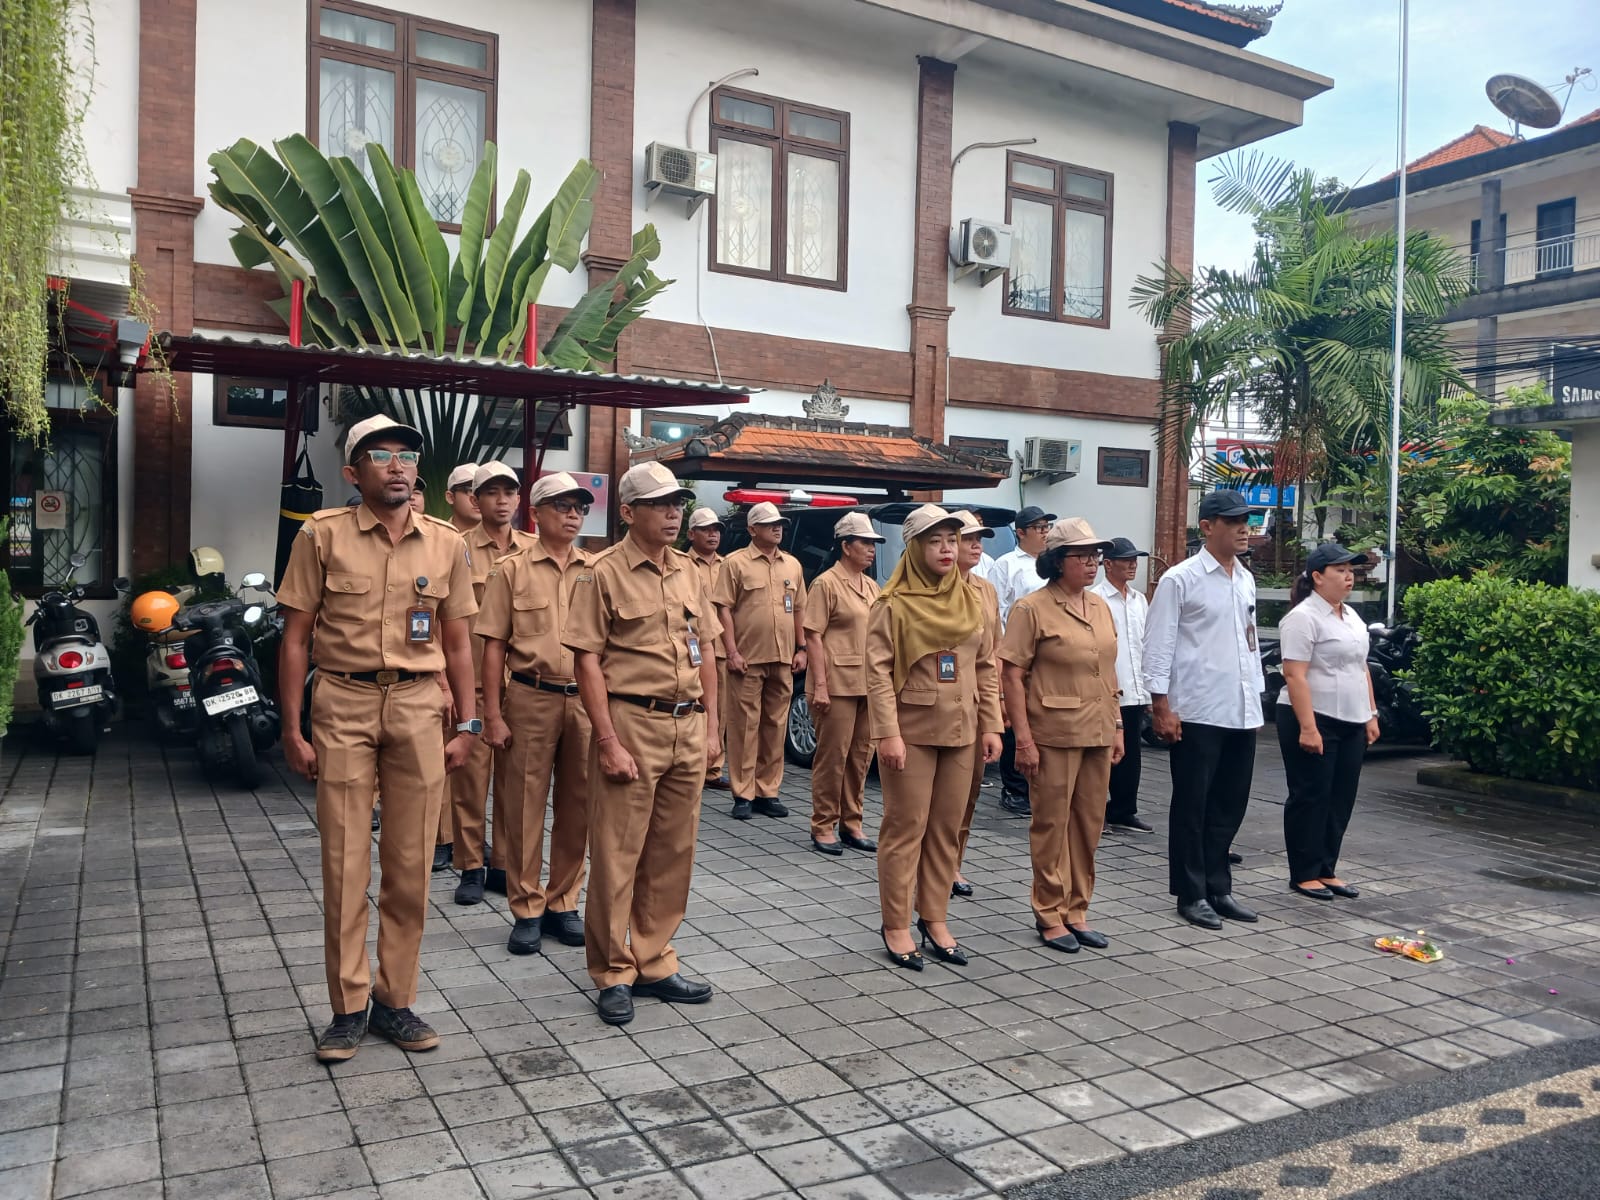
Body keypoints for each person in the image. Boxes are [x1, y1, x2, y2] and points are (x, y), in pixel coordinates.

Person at [277, 415, 479, 1062]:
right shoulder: (321, 536)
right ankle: (346, 1008)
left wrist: (468, 721)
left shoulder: (446, 543)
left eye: (406, 455)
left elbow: (458, 643)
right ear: (352, 471)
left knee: (412, 863)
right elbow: (295, 639)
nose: (397, 465)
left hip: (420, 706)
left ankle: (396, 1001)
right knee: (344, 862)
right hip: (343, 702)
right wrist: (291, 728)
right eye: (381, 454)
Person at [563, 461, 722, 1027]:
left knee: (673, 851)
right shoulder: (600, 572)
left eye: (677, 502)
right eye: (660, 504)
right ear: (628, 512)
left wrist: (714, 729)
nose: (674, 512)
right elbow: (586, 660)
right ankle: (612, 971)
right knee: (617, 853)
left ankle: (654, 959)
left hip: (687, 723)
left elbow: (707, 652)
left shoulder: (691, 571)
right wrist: (606, 739)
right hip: (630, 723)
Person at [867, 504, 1002, 971]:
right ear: (914, 547)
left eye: (952, 540)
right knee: (906, 828)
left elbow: (985, 666)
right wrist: (887, 733)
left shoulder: (971, 599)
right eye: (935, 541)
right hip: (912, 730)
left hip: (963, 729)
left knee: (946, 829)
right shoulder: (893, 604)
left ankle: (935, 917)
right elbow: (878, 673)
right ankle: (896, 923)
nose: (947, 549)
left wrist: (992, 724)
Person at [477, 472, 596, 954]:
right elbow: (493, 647)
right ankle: (526, 906)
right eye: (563, 506)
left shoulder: (596, 569)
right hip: (529, 696)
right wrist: (492, 712)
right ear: (538, 513)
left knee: (578, 805)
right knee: (524, 807)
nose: (573, 515)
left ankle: (562, 902)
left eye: (580, 508)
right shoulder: (511, 570)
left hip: (585, 701)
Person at [1143, 489, 1265, 931]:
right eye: (1232, 522)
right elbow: (1158, 646)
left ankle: (1220, 885)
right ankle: (1191, 892)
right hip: (1195, 709)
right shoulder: (1182, 578)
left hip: (1239, 707)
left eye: (1245, 521)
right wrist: (1161, 704)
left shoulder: (1244, 578)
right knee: (1192, 806)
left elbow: (1248, 642)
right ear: (1208, 526)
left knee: (1229, 805)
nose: (1242, 529)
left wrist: (1256, 695)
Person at [1001, 518, 1124, 953]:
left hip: (1097, 728)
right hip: (1052, 732)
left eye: (1096, 555)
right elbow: (1011, 676)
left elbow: (1108, 668)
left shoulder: (1101, 605)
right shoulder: (1031, 608)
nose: (1093, 563)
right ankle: (1049, 912)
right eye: (1083, 555)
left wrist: (1118, 725)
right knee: (1051, 825)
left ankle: (1078, 909)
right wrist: (1024, 740)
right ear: (1057, 561)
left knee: (1090, 825)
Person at [449, 462, 535, 906]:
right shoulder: (455, 549)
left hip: (522, 687)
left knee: (515, 783)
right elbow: (454, 627)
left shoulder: (536, 550)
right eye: (491, 493)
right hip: (476, 689)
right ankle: (469, 865)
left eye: (509, 492)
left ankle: (503, 863)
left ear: (519, 499)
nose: (502, 500)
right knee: (469, 780)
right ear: (475, 500)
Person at [1277, 544, 1379, 902]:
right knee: (1311, 795)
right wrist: (1308, 727)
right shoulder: (1303, 617)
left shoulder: (1351, 616)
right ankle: (1303, 873)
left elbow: (1361, 666)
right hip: (1313, 717)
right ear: (1317, 577)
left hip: (1352, 717)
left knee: (1340, 797)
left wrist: (1371, 713)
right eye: (1340, 570)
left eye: (1351, 570)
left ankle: (1326, 868)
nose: (1348, 575)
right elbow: (1295, 674)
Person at [714, 501, 806, 822]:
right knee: (744, 726)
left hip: (782, 657)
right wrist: (732, 651)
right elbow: (723, 608)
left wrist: (802, 648)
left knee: (775, 725)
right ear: (753, 530)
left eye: (779, 523)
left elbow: (798, 608)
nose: (777, 528)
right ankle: (743, 792)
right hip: (747, 658)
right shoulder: (735, 564)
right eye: (769, 524)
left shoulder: (792, 565)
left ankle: (768, 790)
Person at [803, 511, 883, 856]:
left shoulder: (871, 586)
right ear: (845, 545)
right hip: (836, 684)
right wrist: (820, 685)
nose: (871, 549)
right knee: (832, 757)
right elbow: (813, 636)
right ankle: (823, 824)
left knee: (861, 756)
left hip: (867, 684)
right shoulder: (826, 583)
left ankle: (853, 821)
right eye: (865, 543)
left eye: (873, 544)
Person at [989, 505, 1056, 816]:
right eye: (1039, 527)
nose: (1044, 532)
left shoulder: (1051, 563)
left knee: (1041, 718)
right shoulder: (1006, 564)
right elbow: (996, 610)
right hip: (1016, 651)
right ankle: (1014, 789)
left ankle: (1038, 782)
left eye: (1046, 527)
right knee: (1015, 720)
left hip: (1047, 653)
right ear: (1021, 532)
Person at [951, 510, 1000, 899]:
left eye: (978, 538)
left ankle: (954, 862)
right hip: (939, 704)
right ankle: (933, 864)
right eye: (968, 538)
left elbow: (993, 654)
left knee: (970, 793)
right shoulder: (936, 586)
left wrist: (994, 716)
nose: (975, 545)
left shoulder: (986, 589)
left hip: (977, 702)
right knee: (940, 800)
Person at [1092, 537, 1154, 834]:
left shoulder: (1139, 599)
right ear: (1108, 564)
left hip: (1136, 687)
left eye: (1135, 559)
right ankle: (1095, 810)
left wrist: (1151, 687)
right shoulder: (1096, 599)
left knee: (1132, 755)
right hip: (1108, 689)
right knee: (1104, 754)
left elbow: (1145, 645)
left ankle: (1124, 809)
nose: (1133, 565)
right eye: (1126, 559)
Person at [686, 506, 731, 792]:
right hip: (692, 645)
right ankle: (692, 763)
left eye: (716, 530)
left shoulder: (727, 565)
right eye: (706, 529)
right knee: (693, 704)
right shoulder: (682, 564)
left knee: (719, 708)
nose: (713, 534)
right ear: (691, 535)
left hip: (721, 646)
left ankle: (713, 767)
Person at [445, 463, 480, 534]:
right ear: (450, 498)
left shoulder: (503, 539)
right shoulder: (436, 538)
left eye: (483, 491)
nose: (478, 498)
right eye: (471, 490)